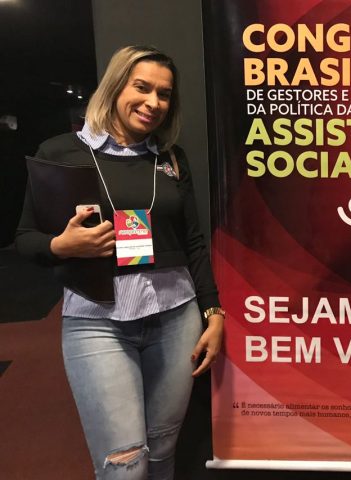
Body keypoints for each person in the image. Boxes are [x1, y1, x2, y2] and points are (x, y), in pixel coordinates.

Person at [15, 45, 224, 479]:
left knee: (163, 449)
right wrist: (62, 246)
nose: (153, 103)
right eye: (141, 88)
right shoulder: (60, 151)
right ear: (115, 87)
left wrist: (214, 312)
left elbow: (193, 242)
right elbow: (25, 239)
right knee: (124, 465)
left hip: (175, 319)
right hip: (97, 321)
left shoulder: (170, 158)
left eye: (164, 94)